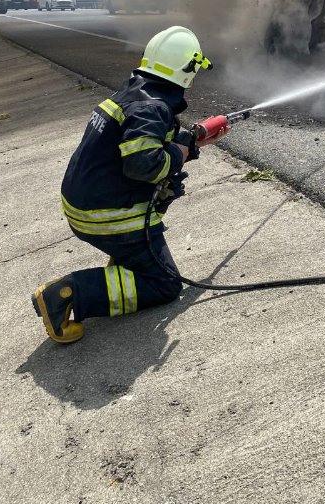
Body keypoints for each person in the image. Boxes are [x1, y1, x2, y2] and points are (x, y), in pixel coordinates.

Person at [32, 26, 213, 344]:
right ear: (187, 69)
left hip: (82, 207)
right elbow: (144, 164)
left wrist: (186, 143)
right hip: (108, 218)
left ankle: (127, 257)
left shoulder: (132, 94)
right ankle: (64, 294)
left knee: (169, 183)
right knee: (164, 284)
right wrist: (180, 151)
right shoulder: (153, 107)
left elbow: (140, 144)